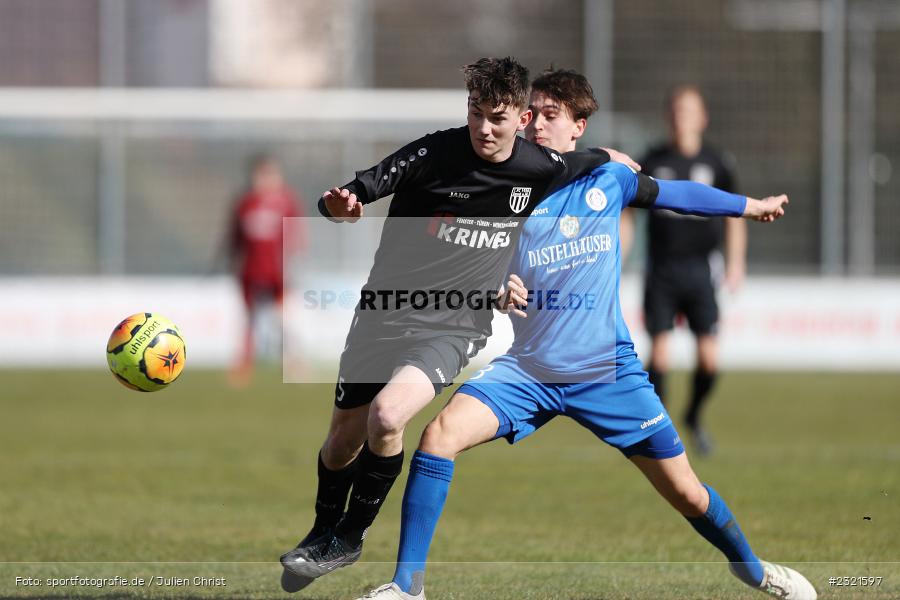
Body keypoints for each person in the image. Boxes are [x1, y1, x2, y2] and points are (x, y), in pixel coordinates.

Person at [356, 69, 815, 600]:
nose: (537, 126)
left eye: (551, 116)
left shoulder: (609, 180)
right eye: (534, 115)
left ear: (579, 127)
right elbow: (474, 268)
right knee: (438, 438)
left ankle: (755, 571)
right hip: (528, 370)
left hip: (608, 373)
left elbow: (676, 193)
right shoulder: (507, 189)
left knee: (688, 494)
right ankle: (407, 587)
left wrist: (749, 206)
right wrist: (498, 289)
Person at [279, 57, 638, 593]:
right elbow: (353, 194)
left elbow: (590, 161)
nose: (483, 128)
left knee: (388, 415)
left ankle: (350, 537)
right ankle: (322, 531)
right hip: (382, 314)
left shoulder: (538, 166)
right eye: (475, 113)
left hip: (453, 324)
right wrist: (340, 208)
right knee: (339, 444)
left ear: (520, 117)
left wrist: (616, 159)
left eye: (497, 117)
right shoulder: (432, 153)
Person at [622, 84, 745, 455]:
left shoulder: (718, 163)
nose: (682, 117)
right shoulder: (653, 159)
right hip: (661, 270)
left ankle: (693, 416)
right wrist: (619, 257)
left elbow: (735, 216)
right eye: (676, 110)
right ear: (668, 116)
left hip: (701, 270)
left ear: (703, 117)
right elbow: (628, 212)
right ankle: (659, 429)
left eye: (690, 110)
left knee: (709, 358)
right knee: (659, 356)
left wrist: (737, 263)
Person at [229, 154, 304, 385]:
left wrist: (293, 263)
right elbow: (235, 238)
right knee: (249, 319)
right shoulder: (245, 203)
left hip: (276, 272)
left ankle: (293, 363)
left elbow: (295, 235)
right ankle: (244, 365)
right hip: (251, 271)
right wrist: (234, 263)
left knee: (282, 320)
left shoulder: (286, 201)